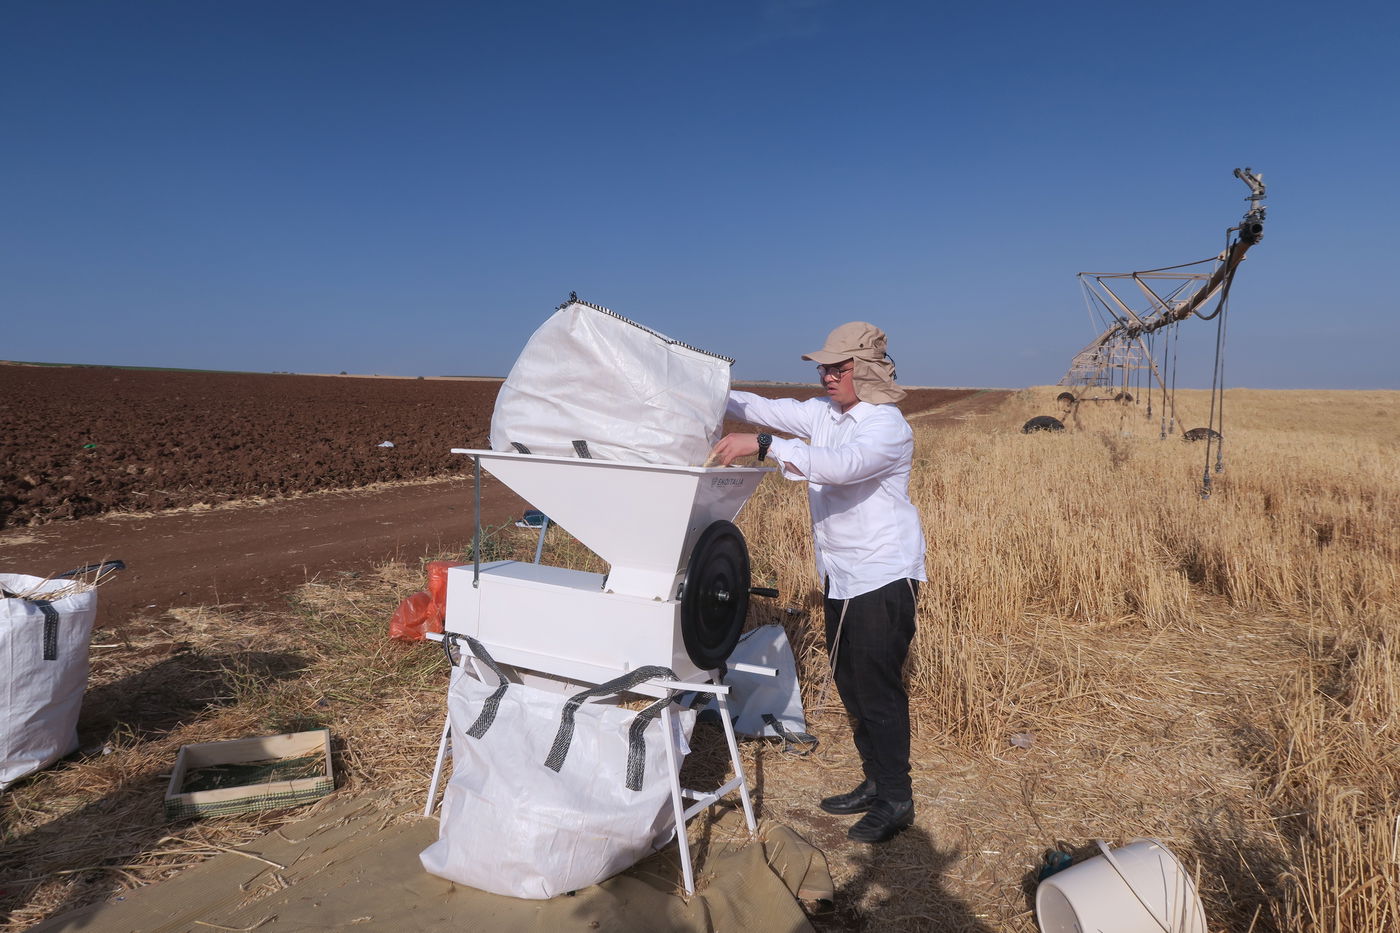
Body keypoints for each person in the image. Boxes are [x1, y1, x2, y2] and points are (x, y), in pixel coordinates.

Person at [710, 322, 926, 844]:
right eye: (825, 367)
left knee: (877, 689)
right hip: (840, 573)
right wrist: (703, 389)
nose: (827, 375)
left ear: (867, 370)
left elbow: (842, 467)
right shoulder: (823, 414)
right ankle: (875, 781)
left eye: (839, 366)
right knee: (851, 681)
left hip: (882, 574)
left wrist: (762, 445)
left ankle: (896, 799)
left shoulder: (886, 426)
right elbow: (758, 406)